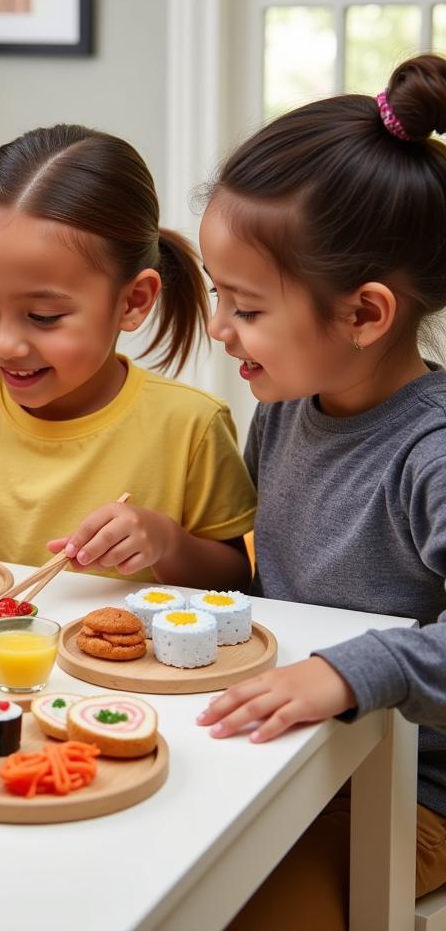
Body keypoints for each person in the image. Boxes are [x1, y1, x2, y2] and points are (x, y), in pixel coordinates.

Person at [195, 54, 446, 928]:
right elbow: (274, 581)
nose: (221, 329)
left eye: (248, 308)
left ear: (365, 315)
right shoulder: (287, 409)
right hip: (294, 758)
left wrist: (353, 670)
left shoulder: (433, 452)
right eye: (218, 296)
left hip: (408, 796)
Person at [0, 124, 255, 588]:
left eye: (44, 316)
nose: (4, 344)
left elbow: (234, 578)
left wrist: (166, 542)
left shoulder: (191, 424)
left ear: (133, 302)